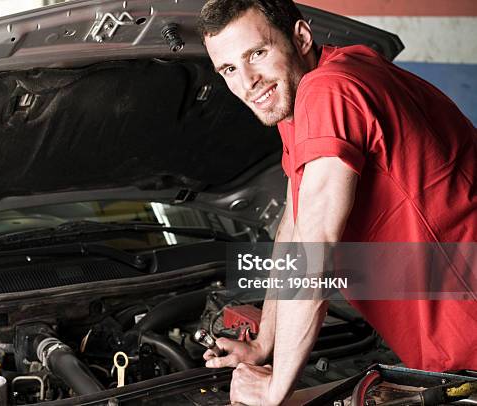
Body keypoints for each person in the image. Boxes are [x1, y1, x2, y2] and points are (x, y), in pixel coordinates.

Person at [198, 0, 477, 405]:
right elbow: (294, 226)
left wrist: (277, 390)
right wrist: (263, 344)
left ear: (301, 37)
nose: (248, 82)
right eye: (229, 69)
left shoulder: (327, 90)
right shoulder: (317, 91)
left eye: (257, 53)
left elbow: (317, 243)